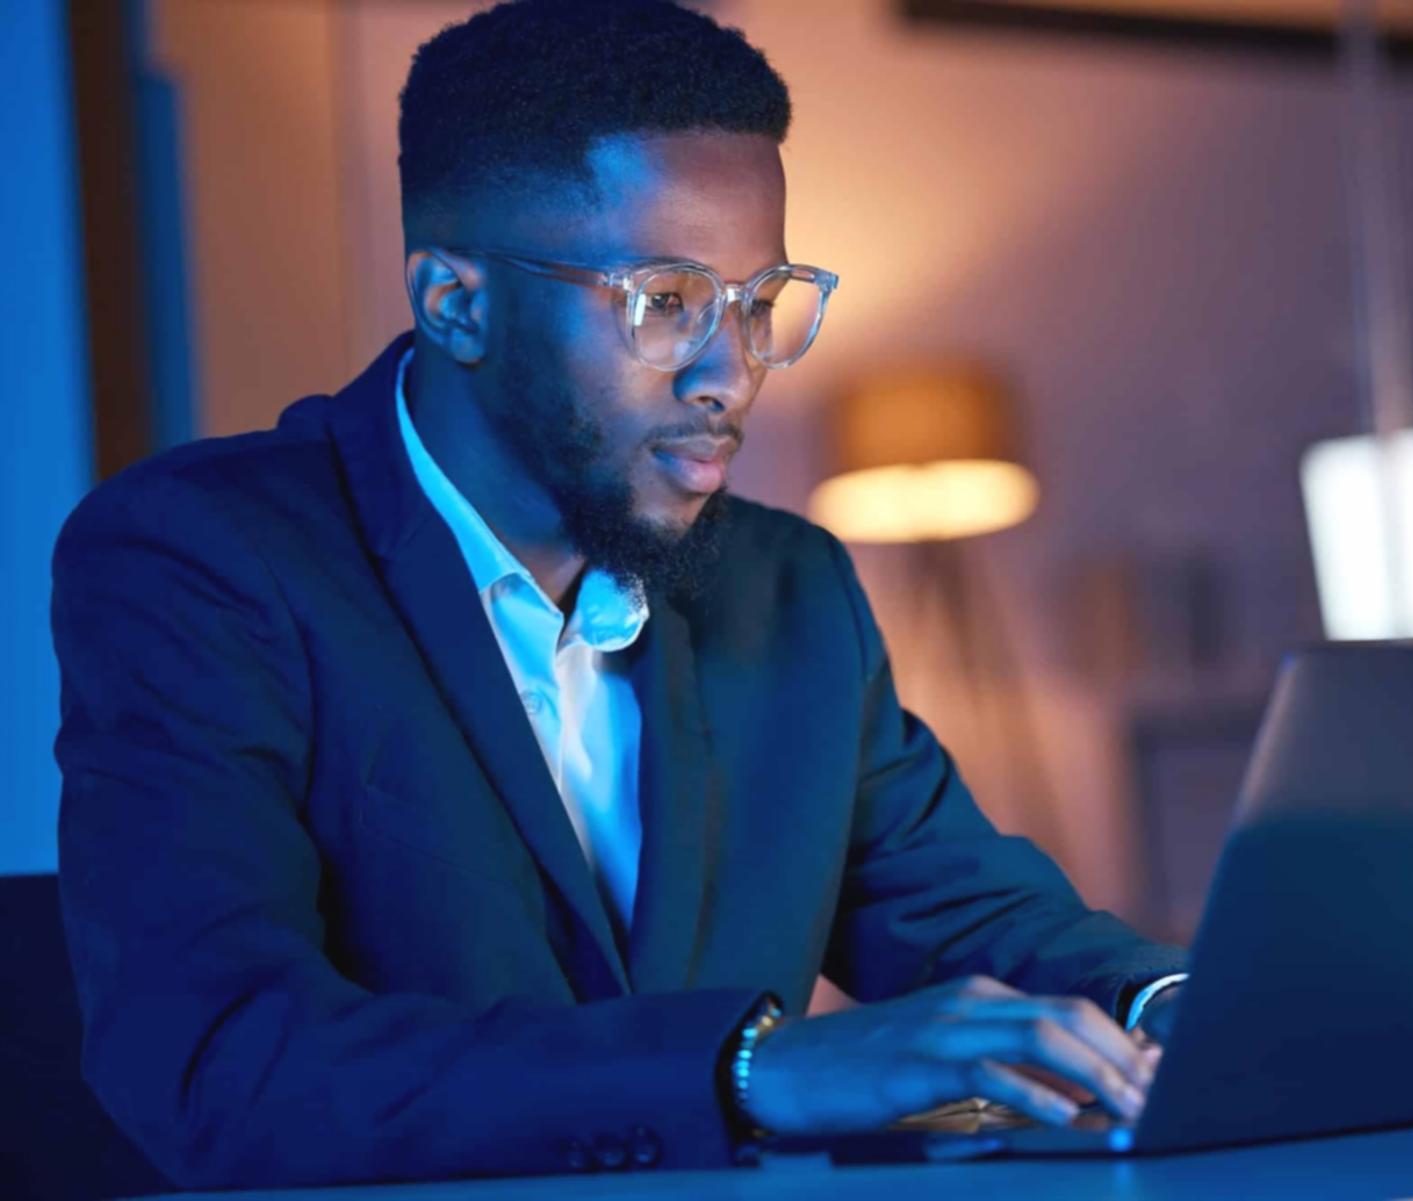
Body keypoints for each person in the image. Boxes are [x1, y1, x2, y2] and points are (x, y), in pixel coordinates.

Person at [50, 0, 1187, 1188]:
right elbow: (218, 1061)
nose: (731, 373)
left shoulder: (789, 587)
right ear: (456, 302)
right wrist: (749, 1070)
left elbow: (979, 921)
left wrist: (1184, 1002)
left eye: (760, 302)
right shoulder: (203, 560)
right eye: (667, 302)